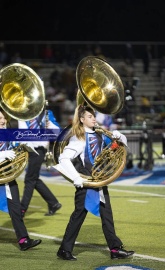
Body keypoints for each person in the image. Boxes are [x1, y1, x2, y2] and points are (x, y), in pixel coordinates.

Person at [54, 104, 134, 261]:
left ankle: (115, 249)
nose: (94, 119)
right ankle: (64, 249)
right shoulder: (79, 137)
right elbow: (63, 158)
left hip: (100, 182)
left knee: (107, 216)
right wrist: (76, 178)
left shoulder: (101, 134)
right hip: (86, 184)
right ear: (82, 119)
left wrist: (119, 137)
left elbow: (121, 147)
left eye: (94, 116)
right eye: (90, 117)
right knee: (78, 216)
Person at [0, 108, 42, 251]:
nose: (3, 120)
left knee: (16, 210)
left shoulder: (8, 134)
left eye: (4, 117)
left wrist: (25, 145)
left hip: (6, 178)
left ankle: (23, 240)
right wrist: (2, 154)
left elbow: (16, 147)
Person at [18, 107, 62, 217]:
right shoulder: (22, 113)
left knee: (29, 179)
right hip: (28, 149)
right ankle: (53, 203)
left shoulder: (46, 113)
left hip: (39, 150)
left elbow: (58, 131)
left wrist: (49, 125)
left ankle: (22, 209)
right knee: (33, 179)